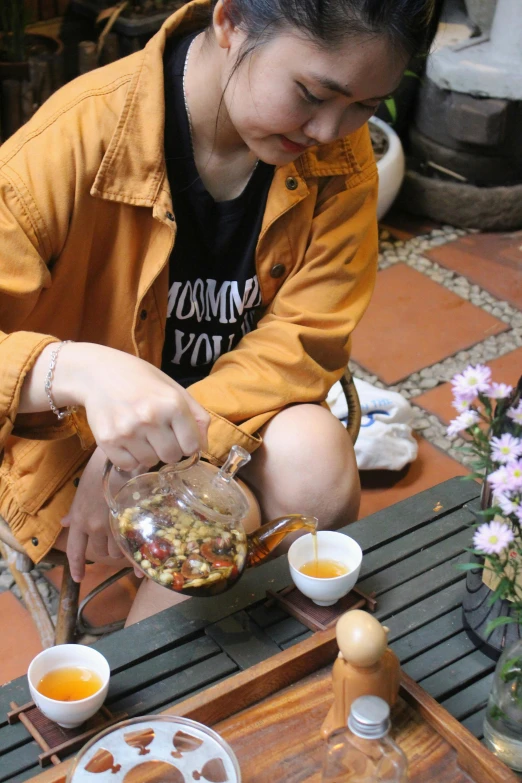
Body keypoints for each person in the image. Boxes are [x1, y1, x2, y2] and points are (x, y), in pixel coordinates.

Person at [0, 0, 435, 625]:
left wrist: (148, 460)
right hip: (76, 445)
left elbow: (305, 339)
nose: (329, 131)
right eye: (313, 93)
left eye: (365, 106)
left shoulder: (340, 157)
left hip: (223, 420)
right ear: (230, 23)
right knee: (218, 527)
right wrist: (72, 368)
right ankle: (163, 708)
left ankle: (208, 675)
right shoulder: (76, 139)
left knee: (318, 470)